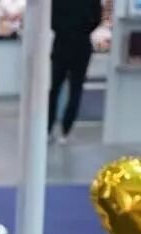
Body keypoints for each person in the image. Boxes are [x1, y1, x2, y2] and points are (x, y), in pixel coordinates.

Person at [49, 0, 102, 142]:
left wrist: (64, 29)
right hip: (81, 45)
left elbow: (51, 21)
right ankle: (65, 131)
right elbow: (96, 19)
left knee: (54, 89)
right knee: (76, 89)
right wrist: (82, 29)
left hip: (61, 44)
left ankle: (48, 127)